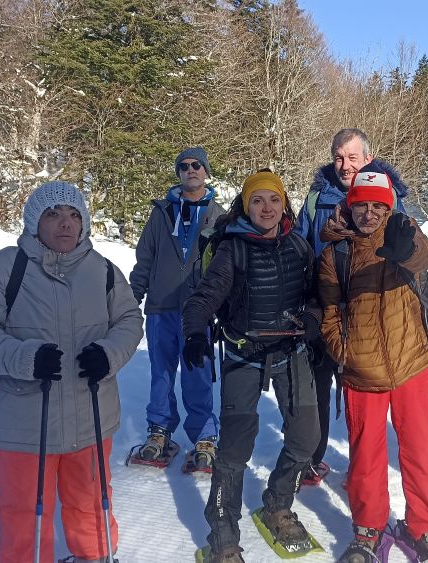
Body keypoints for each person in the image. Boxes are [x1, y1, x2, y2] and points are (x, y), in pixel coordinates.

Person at [0, 181, 144, 563]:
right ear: (34, 222)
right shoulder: (5, 267)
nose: (65, 223)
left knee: (91, 501)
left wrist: (109, 354)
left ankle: (95, 557)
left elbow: (129, 320)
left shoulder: (104, 271)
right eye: (53, 214)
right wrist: (23, 358)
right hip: (24, 423)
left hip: (91, 417)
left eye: (74, 215)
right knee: (23, 510)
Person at [318, 164, 428, 563]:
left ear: (388, 207)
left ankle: (427, 531)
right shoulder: (337, 252)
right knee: (365, 457)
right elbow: (329, 309)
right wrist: (342, 351)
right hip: (361, 372)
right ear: (350, 207)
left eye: (377, 206)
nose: (369, 214)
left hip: (411, 363)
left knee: (420, 451)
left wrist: (408, 247)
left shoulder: (401, 232)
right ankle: (368, 531)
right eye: (361, 205)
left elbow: (427, 256)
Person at [182, 170, 322, 563]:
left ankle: (278, 502)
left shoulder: (298, 245)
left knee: (306, 437)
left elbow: (315, 296)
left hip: (290, 354)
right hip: (244, 354)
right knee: (235, 448)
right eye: (258, 200)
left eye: (273, 200)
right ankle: (223, 534)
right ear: (246, 205)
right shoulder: (233, 248)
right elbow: (203, 297)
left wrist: (312, 320)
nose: (266, 208)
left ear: (284, 204)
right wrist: (194, 333)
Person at [295, 128, 409, 485]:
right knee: (317, 389)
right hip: (324, 309)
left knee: (363, 401)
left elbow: (409, 256)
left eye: (352, 158)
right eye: (339, 157)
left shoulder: (390, 197)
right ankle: (311, 460)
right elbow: (300, 248)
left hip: (371, 317)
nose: (345, 166)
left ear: (368, 159)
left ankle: (363, 472)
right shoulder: (317, 199)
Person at [128, 147, 225, 470]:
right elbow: (145, 260)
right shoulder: (161, 213)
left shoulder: (219, 216)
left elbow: (226, 267)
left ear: (206, 171)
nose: (190, 170)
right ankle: (159, 429)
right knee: (161, 372)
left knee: (197, 374)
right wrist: (133, 298)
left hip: (199, 310)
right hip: (161, 306)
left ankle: (204, 435)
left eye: (196, 165)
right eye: (183, 166)